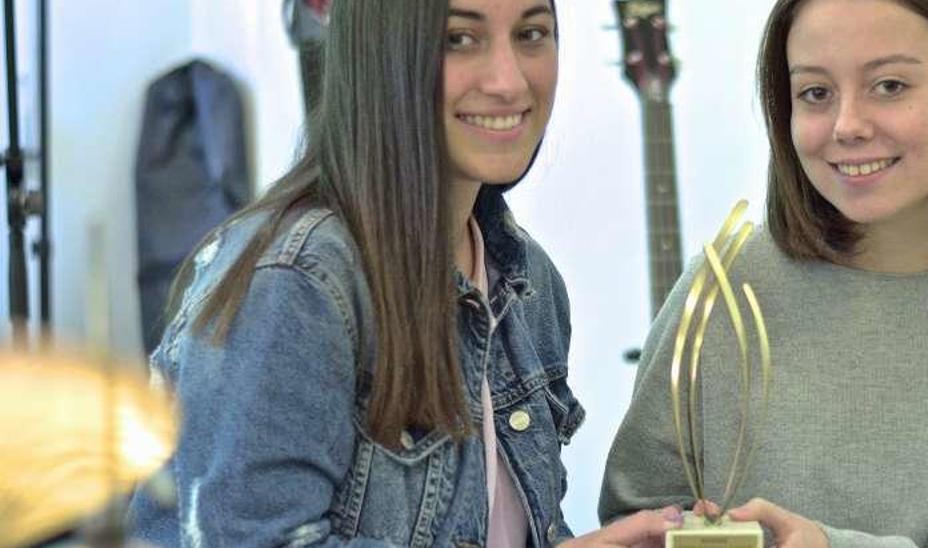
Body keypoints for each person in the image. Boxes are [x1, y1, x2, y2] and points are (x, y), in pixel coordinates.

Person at [127, 1, 681, 546]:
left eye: (532, 34)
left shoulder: (528, 281)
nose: (509, 82)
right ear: (382, 53)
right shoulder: (296, 282)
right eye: (459, 39)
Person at [598, 0, 928, 546]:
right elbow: (636, 517)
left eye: (889, 85)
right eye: (816, 93)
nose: (847, 126)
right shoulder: (721, 287)